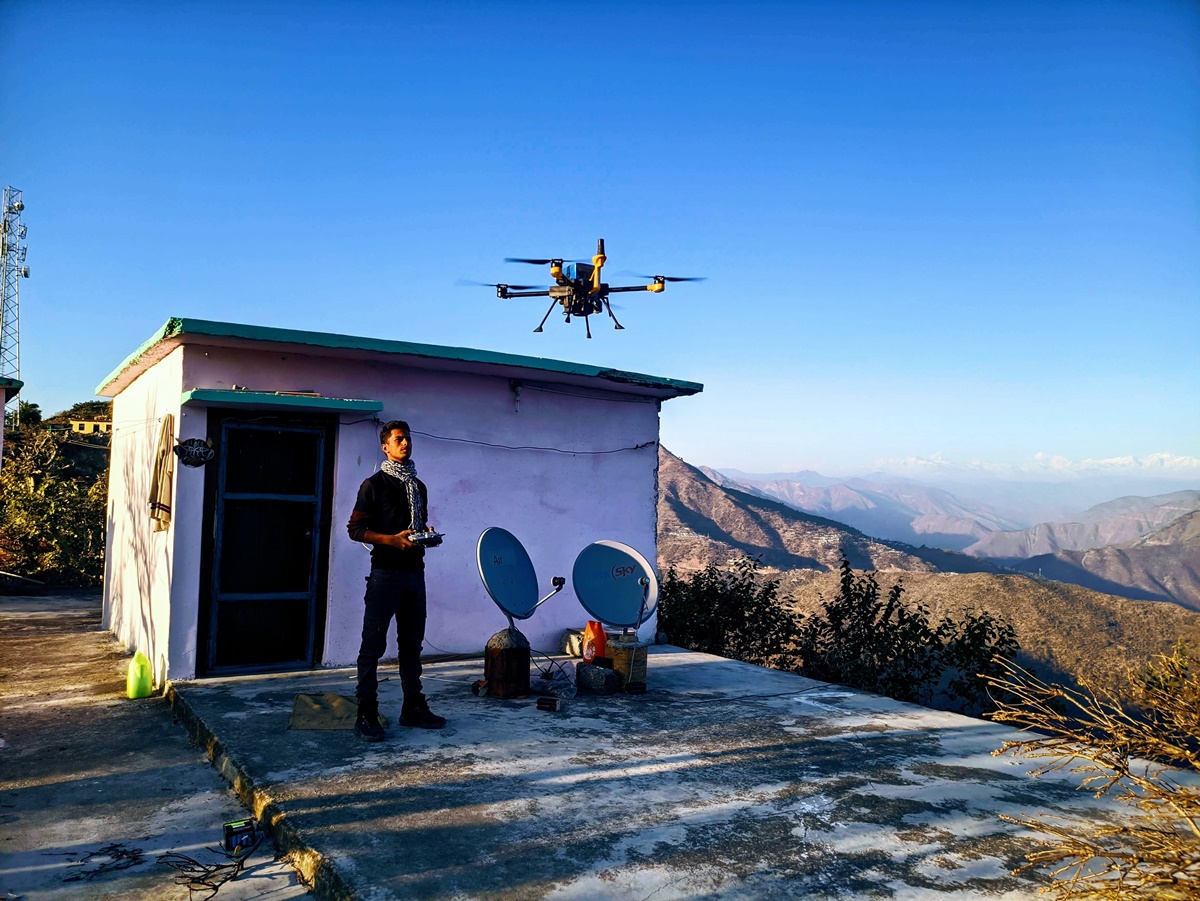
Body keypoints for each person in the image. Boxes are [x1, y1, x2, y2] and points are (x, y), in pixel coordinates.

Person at [347, 420, 445, 742]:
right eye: (399, 439)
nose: (406, 444)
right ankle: (366, 713)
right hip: (385, 575)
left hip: (415, 575)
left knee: (412, 646)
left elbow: (416, 526)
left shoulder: (418, 487)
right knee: (372, 647)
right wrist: (391, 540)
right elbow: (355, 530)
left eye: (408, 439)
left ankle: (412, 707)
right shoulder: (373, 485)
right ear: (385, 447)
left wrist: (426, 536)